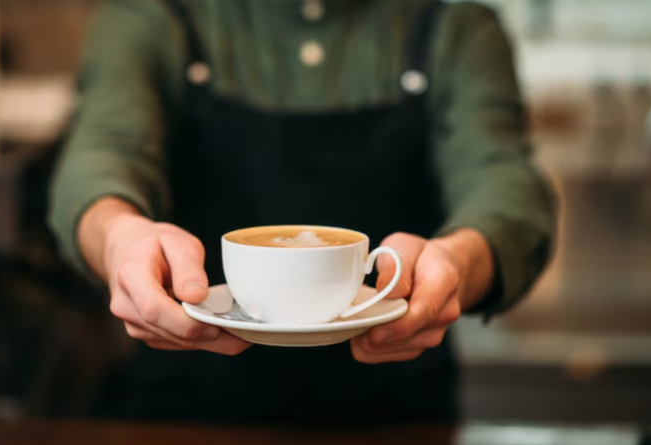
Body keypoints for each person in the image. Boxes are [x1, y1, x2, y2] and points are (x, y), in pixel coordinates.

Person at [49, 0, 555, 423]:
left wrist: (460, 260)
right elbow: (101, 155)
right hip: (191, 411)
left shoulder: (457, 25)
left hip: (395, 414)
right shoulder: (151, 16)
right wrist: (120, 237)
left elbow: (503, 179)